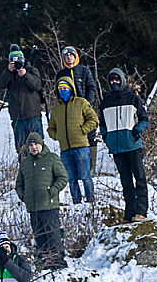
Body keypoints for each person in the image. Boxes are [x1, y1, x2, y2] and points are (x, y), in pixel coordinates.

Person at [97, 68, 149, 222]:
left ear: (122, 80)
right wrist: (106, 137)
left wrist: (137, 131)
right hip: (117, 148)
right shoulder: (105, 102)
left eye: (117, 79)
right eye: (112, 80)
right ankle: (129, 213)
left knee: (140, 178)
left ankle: (141, 211)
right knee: (126, 182)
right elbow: (102, 124)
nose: (115, 82)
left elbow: (144, 119)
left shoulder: (134, 99)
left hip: (133, 145)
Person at [15, 132, 68, 270]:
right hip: (33, 207)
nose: (34, 147)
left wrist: (52, 191)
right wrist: (24, 197)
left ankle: (58, 263)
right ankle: (46, 262)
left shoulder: (52, 158)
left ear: (42, 144)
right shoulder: (25, 163)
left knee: (53, 235)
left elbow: (62, 177)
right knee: (39, 236)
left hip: (49, 205)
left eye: (36, 144)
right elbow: (19, 184)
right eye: (31, 145)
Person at [46, 76, 98, 205]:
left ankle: (91, 202)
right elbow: (50, 128)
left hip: (81, 147)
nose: (63, 91)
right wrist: (58, 136)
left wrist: (83, 130)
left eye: (65, 88)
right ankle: (76, 203)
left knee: (85, 177)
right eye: (60, 89)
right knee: (71, 179)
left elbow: (93, 119)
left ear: (71, 89)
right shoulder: (56, 110)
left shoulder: (81, 103)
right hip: (65, 150)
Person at [56, 46, 99, 174]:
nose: (69, 58)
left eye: (71, 55)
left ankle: (91, 169)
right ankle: (75, 170)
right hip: (69, 111)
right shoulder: (61, 74)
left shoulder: (84, 71)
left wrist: (87, 104)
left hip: (85, 109)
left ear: (75, 57)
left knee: (90, 136)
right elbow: (58, 92)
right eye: (66, 56)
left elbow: (91, 88)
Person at [0, 45, 43, 154]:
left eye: (19, 62)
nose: (17, 65)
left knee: (38, 147)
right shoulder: (9, 74)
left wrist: (25, 75)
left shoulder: (31, 71)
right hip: (17, 118)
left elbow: (37, 85)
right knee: (22, 149)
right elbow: (0, 85)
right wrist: (9, 72)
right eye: (14, 63)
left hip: (33, 116)